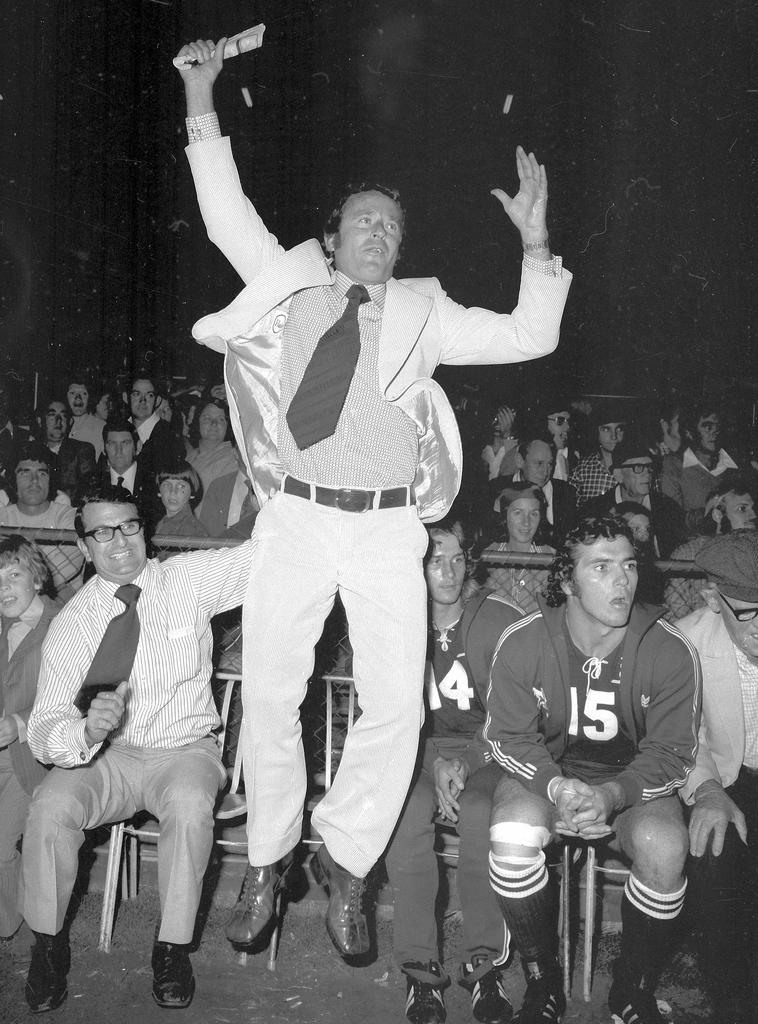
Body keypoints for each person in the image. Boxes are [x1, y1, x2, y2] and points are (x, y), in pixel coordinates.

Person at [176, 36, 571, 960]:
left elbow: (527, 336)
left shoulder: (426, 312)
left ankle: (347, 865)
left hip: (391, 524)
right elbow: (226, 214)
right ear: (332, 232)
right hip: (298, 517)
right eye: (364, 219)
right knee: (272, 693)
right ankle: (269, 860)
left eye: (392, 225)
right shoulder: (291, 284)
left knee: (395, 704)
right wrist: (201, 96)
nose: (380, 233)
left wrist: (536, 241)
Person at [21, 483, 253, 1012]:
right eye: (102, 533)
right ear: (83, 546)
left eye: (128, 526)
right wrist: (86, 732)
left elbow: (259, 556)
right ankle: (48, 945)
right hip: (109, 758)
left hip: (185, 750)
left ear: (143, 529)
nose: (119, 543)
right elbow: (43, 728)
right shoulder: (73, 623)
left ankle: (172, 948)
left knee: (191, 806)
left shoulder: (186, 580)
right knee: (51, 807)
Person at [484, 516, 700, 1024]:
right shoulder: (524, 639)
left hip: (633, 778)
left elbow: (671, 753)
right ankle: (543, 983)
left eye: (627, 565)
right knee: (512, 834)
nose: (621, 579)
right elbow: (508, 738)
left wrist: (612, 796)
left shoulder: (668, 646)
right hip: (551, 771)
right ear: (567, 581)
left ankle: (633, 987)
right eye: (600, 568)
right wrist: (556, 786)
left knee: (665, 848)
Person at [385, 520, 520, 1024]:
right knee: (407, 814)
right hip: (417, 750)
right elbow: (386, 716)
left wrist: (464, 762)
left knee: (482, 813)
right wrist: (434, 763)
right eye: (434, 560)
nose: (448, 571)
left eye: (457, 558)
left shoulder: (496, 619)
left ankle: (484, 967)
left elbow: (514, 717)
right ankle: (420, 972)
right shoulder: (395, 620)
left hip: (487, 751)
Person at [678, 530, 758, 1022]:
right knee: (714, 854)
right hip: (724, 779)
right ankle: (735, 1008)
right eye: (748, 611)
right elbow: (677, 738)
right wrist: (708, 790)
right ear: (713, 599)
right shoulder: (685, 643)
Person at [0, 537, 57, 953]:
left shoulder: (62, 625)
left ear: (36, 579)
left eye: (13, 575)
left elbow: (74, 700)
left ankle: (6, 925)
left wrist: (19, 723)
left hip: (34, 756)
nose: (3, 587)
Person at [664, 475, 757, 621]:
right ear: (718, 515)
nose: (753, 515)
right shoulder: (689, 554)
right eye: (742, 509)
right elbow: (676, 619)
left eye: (753, 508)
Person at [0, 442, 84, 601]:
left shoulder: (70, 518)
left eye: (42, 473)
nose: (34, 480)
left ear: (51, 479)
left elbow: (49, 580)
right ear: (12, 478)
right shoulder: (2, 518)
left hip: (61, 611)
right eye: (25, 473)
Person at [582, 435, 685, 558]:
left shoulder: (668, 508)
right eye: (638, 468)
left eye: (649, 467)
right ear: (619, 474)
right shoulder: (595, 509)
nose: (647, 474)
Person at [661, 403, 738, 530]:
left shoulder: (735, 466)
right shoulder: (674, 466)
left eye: (718, 427)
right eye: (708, 427)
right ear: (690, 432)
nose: (715, 432)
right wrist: (708, 513)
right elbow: (673, 520)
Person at [484, 483, 555, 616]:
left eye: (534, 514)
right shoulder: (487, 556)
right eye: (518, 513)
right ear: (505, 515)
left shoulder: (552, 558)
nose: (526, 522)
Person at [493, 433, 577, 544]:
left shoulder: (566, 493)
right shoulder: (494, 490)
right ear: (520, 461)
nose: (546, 472)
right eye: (539, 463)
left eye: (550, 464)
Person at [98, 417, 158, 527]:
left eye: (125, 443)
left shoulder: (154, 483)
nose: (118, 450)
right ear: (103, 448)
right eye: (112, 443)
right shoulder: (92, 482)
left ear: (138, 446)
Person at [568, 402, 627, 509]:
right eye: (606, 429)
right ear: (596, 433)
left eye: (619, 429)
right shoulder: (582, 469)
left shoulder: (636, 468)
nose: (614, 436)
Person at [38, 398, 96, 502]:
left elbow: (89, 491)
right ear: (40, 421)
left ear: (70, 422)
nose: (58, 421)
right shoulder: (30, 450)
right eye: (52, 415)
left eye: (63, 416)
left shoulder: (82, 450)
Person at [196, 445, 260, 537]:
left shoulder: (271, 487)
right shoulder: (218, 486)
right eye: (245, 447)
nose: (251, 453)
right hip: (221, 549)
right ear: (235, 453)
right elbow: (206, 532)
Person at [129, 376, 185, 477]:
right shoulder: (117, 430)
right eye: (137, 394)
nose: (143, 400)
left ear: (157, 400)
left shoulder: (169, 436)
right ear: (126, 397)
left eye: (149, 395)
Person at [186, 398, 238, 495]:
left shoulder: (234, 459)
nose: (214, 423)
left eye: (221, 419)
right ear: (198, 422)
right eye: (207, 418)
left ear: (228, 426)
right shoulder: (189, 456)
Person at [154, 460, 209, 543]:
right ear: (159, 491)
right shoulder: (162, 523)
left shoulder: (191, 530)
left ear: (192, 493)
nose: (173, 491)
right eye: (167, 485)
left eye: (181, 486)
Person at [66, 377, 104, 456]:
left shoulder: (101, 427)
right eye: (72, 393)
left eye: (84, 393)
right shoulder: (58, 424)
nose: (78, 398)